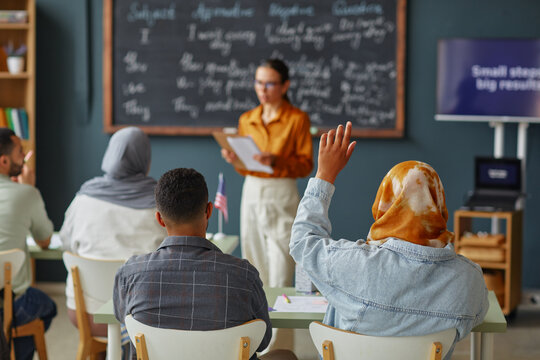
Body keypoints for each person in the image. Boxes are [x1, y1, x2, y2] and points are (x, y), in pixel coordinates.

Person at [290, 122, 489, 360]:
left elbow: (303, 241)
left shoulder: (353, 266)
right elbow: (477, 314)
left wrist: (324, 175)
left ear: (384, 205)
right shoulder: (469, 280)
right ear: (439, 206)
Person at [113, 168, 297, 360]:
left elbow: (123, 321)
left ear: (159, 218)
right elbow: (263, 340)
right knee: (286, 356)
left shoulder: (130, 274)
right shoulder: (243, 275)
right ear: (209, 210)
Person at [59, 127, 166, 342]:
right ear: (144, 158)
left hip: (86, 317)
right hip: (142, 320)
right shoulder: (160, 204)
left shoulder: (83, 198)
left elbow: (66, 244)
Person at [221, 58, 313, 288]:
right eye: (259, 83)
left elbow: (305, 165)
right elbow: (245, 168)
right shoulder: (247, 119)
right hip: (252, 191)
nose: (263, 89)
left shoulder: (297, 119)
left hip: (282, 192)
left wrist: (276, 160)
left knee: (281, 268)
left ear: (285, 86)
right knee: (253, 262)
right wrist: (236, 159)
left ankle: (283, 324)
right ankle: (259, 324)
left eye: (270, 84)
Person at [0, 128, 57, 360]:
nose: (24, 157)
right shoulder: (27, 194)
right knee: (48, 307)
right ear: (3, 160)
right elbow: (44, 241)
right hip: (11, 303)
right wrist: (30, 188)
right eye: (19, 152)